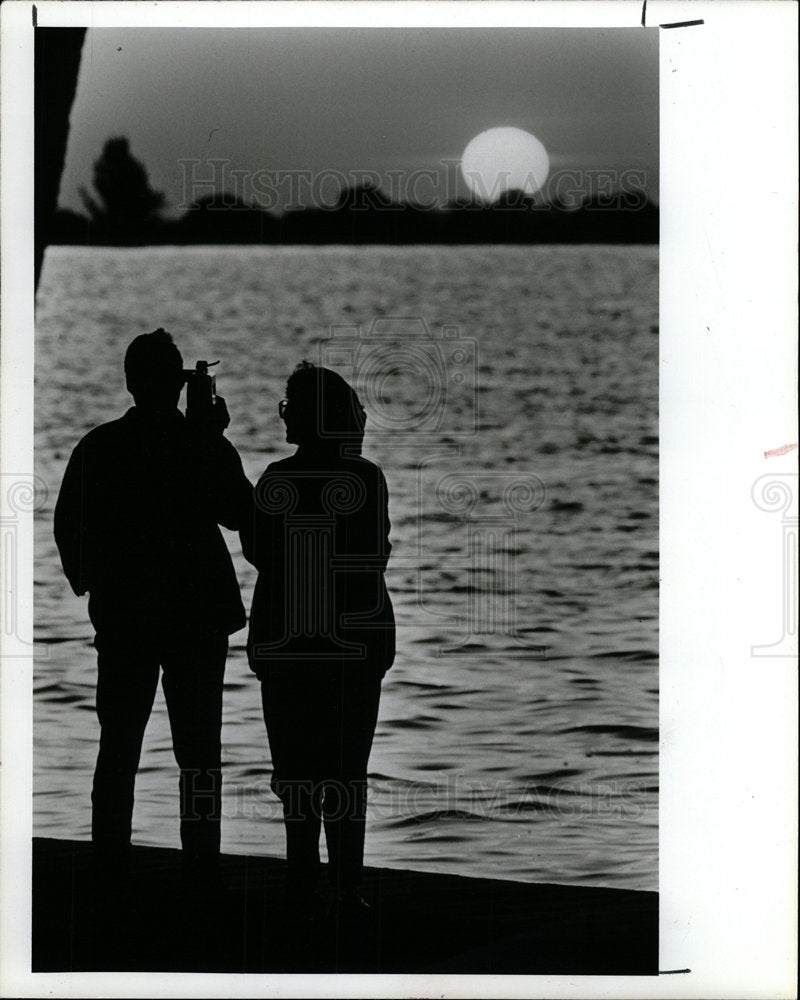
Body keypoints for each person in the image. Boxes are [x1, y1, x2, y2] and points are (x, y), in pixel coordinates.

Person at [54, 328, 252, 870]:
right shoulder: (199, 442)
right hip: (197, 617)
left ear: (129, 383)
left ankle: (109, 855)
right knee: (200, 752)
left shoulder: (99, 445)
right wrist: (210, 434)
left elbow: (67, 523)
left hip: (124, 616)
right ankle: (202, 862)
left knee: (118, 743)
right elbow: (241, 512)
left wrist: (88, 580)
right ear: (179, 383)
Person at [242, 361, 395, 911]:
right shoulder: (365, 479)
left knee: (296, 772)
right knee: (348, 770)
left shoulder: (277, 480)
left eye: (289, 409)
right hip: (353, 645)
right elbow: (373, 555)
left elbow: (259, 551)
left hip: (287, 645)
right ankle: (347, 888)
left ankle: (302, 883)